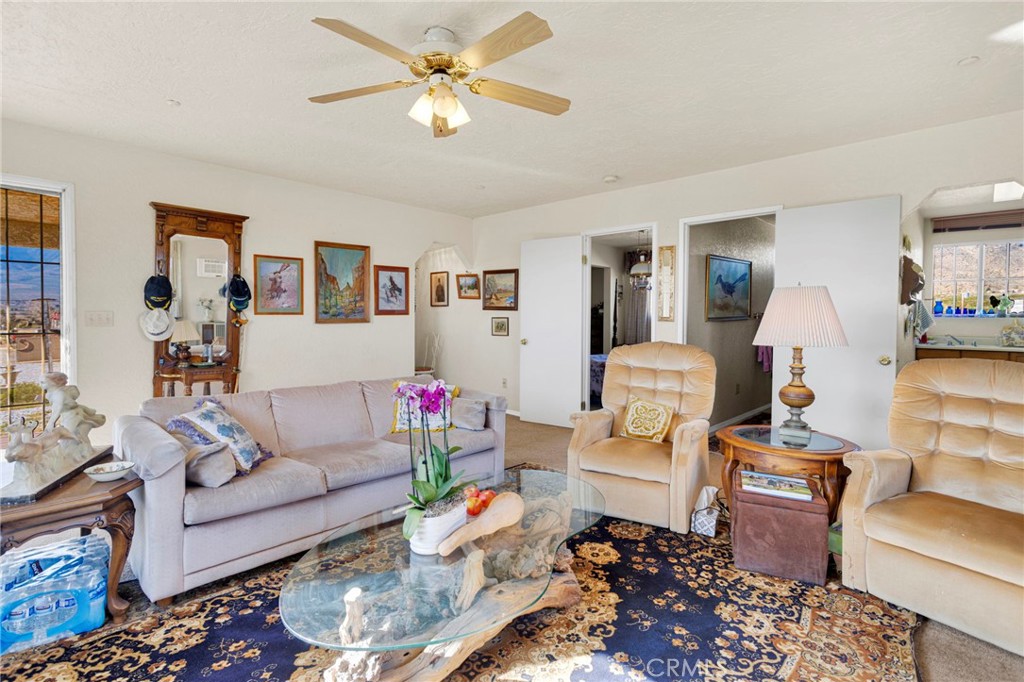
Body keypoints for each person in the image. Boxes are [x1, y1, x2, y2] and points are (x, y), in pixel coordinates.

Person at [41, 372, 106, 444]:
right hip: (65, 415)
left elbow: (57, 409)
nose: (40, 385)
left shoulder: (59, 394)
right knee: (68, 437)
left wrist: (50, 423)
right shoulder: (50, 394)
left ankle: (82, 450)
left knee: (67, 437)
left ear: (53, 382)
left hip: (72, 415)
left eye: (43, 382)